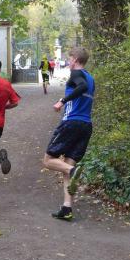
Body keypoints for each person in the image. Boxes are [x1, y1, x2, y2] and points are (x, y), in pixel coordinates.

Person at [42, 46, 95, 221]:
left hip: (71, 123)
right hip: (86, 126)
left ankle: (74, 170)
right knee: (65, 167)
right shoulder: (91, 78)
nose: (69, 62)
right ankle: (67, 208)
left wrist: (62, 101)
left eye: (70, 59)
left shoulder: (76, 74)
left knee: (48, 161)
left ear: (75, 60)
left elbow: (81, 86)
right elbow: (83, 89)